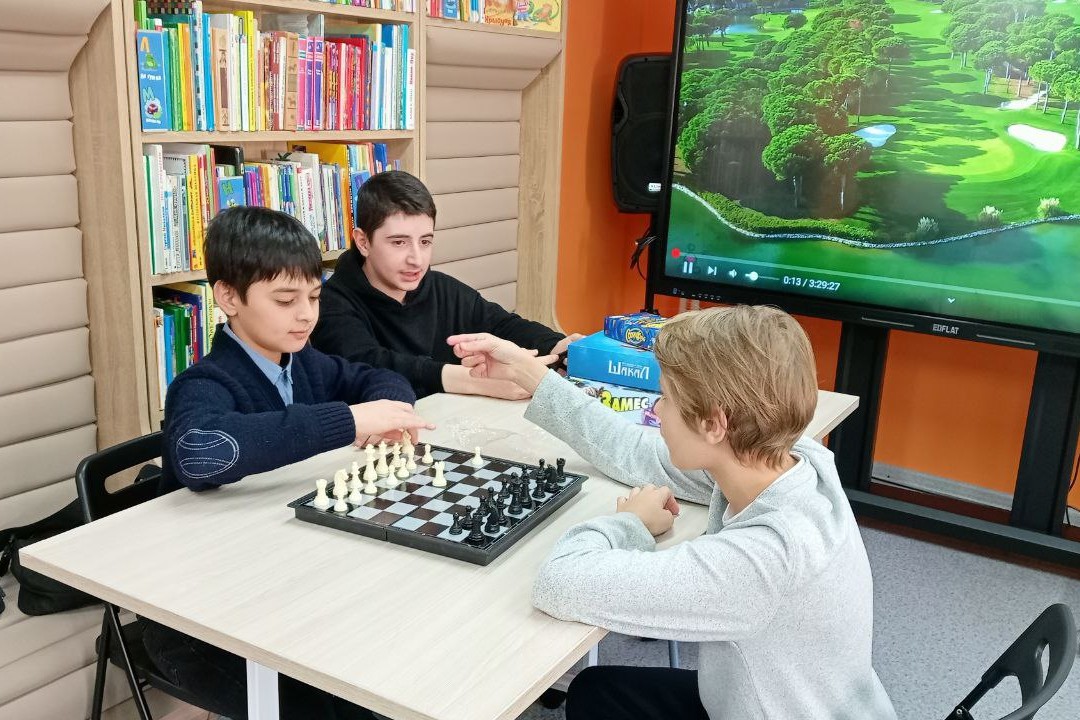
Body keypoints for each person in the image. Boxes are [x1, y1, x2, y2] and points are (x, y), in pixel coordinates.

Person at [447, 306, 897, 720]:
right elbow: (633, 450)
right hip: (784, 703)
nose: (656, 409)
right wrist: (529, 373)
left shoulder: (764, 561)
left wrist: (631, 524)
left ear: (714, 424)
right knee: (597, 692)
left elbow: (558, 583)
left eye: (665, 397)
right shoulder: (789, 456)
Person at [152, 206, 433, 720]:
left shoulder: (303, 362)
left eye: (314, 297)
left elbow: (377, 379)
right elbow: (198, 453)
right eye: (285, 300)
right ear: (228, 297)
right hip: (201, 621)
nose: (306, 315)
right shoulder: (204, 384)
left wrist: (391, 410)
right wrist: (348, 420)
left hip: (285, 587)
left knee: (400, 655)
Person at [311, 170, 581, 400]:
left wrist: (558, 347)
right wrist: (477, 382)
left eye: (425, 242)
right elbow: (367, 364)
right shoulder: (329, 303)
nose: (417, 259)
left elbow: (501, 324)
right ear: (363, 242)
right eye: (399, 242)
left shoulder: (440, 288)